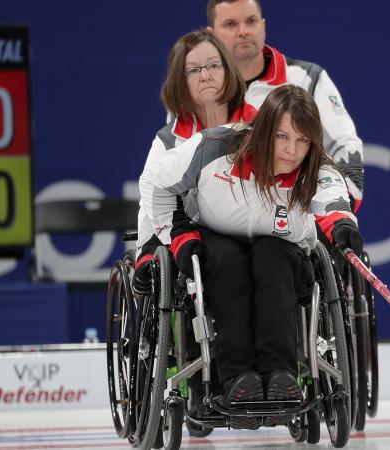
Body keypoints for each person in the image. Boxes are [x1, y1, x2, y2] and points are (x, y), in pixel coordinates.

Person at [136, 85, 363, 429]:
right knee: (226, 261)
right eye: (283, 136)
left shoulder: (317, 167)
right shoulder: (215, 147)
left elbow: (333, 202)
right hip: (216, 241)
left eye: (303, 141)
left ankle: (281, 374)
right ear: (264, 129)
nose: (292, 150)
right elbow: (156, 182)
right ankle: (237, 378)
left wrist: (343, 227)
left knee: (270, 257)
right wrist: (178, 235)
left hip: (282, 255)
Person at [205, 0, 365, 212]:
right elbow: (175, 163)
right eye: (231, 24)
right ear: (212, 34)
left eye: (251, 21)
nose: (243, 31)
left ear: (263, 25)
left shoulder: (308, 79)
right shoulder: (196, 88)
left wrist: (330, 217)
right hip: (214, 226)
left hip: (295, 225)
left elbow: (346, 150)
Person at [136, 29, 256, 251]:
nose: (205, 75)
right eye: (194, 70)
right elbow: (151, 198)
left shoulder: (260, 124)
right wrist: (146, 249)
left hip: (257, 226)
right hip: (201, 236)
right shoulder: (169, 140)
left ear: (228, 70)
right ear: (181, 82)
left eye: (213, 65)